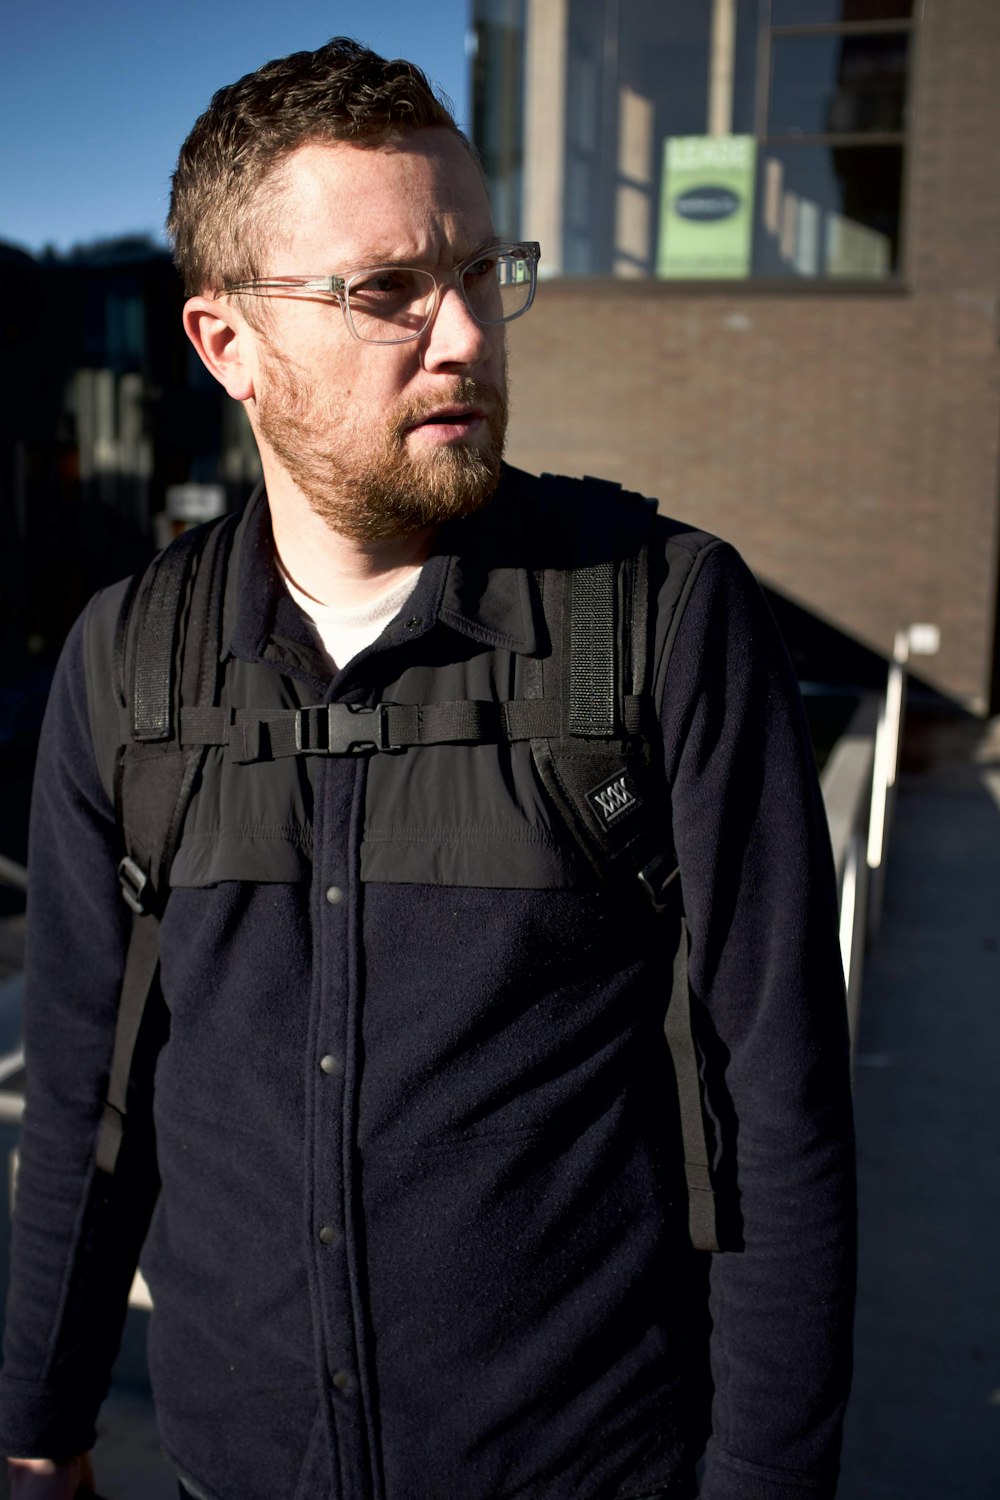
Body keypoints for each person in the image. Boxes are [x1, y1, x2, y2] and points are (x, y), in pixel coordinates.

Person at [0, 37, 855, 1500]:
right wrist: (37, 1428)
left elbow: (780, 1121)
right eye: (386, 291)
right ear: (226, 347)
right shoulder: (127, 665)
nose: (462, 334)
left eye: (476, 271)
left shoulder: (661, 616)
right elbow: (86, 1102)